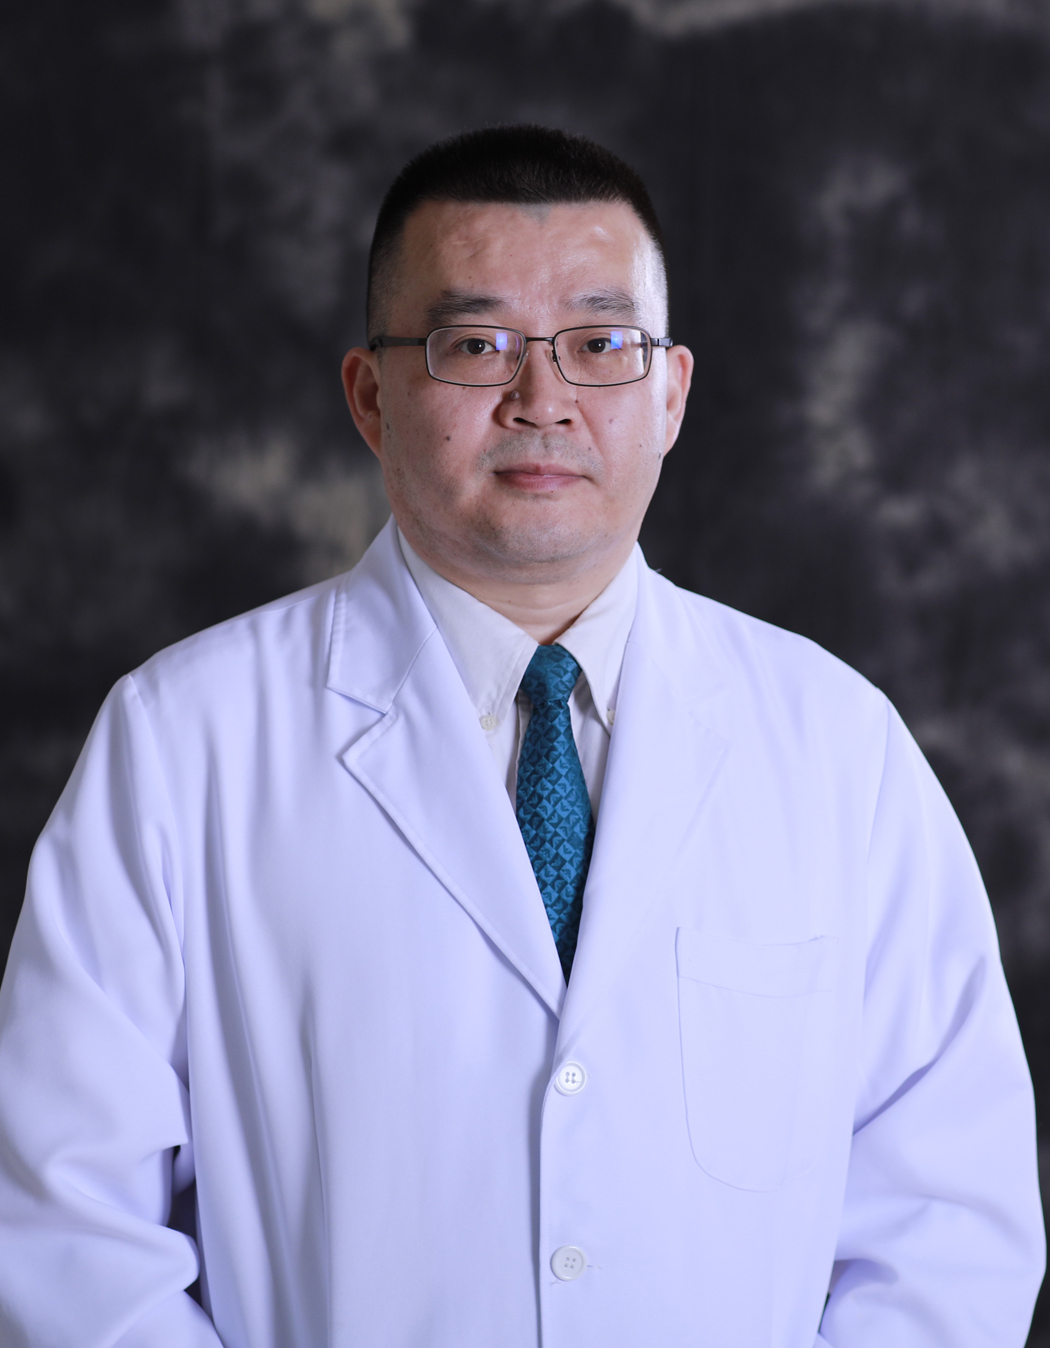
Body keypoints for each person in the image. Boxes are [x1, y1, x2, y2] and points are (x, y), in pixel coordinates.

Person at [0, 125, 1042, 1348]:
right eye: (476, 344)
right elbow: (67, 1230)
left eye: (600, 345)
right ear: (370, 396)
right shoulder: (182, 744)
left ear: (670, 393)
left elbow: (946, 1221)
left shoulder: (837, 747)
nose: (542, 402)